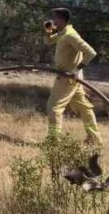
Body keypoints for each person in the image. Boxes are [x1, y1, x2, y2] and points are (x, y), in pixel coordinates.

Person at [43, 8, 101, 147]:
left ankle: (53, 143)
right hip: (71, 78)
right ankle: (95, 139)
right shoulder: (62, 33)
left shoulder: (70, 35)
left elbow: (91, 53)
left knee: (54, 108)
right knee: (84, 108)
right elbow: (48, 42)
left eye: (55, 18)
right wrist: (48, 30)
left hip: (67, 77)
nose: (53, 20)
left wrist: (76, 69)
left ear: (62, 19)